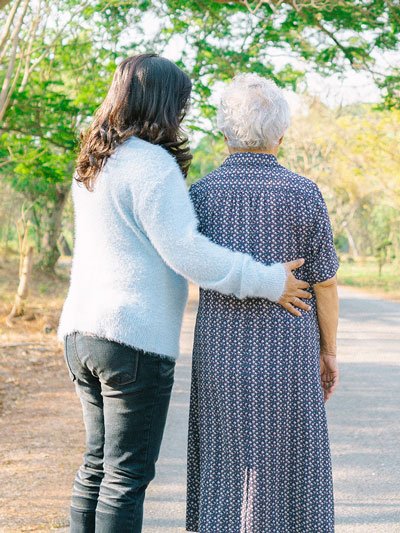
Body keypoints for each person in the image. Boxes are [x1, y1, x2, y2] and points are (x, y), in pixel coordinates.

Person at [58, 54, 312, 533]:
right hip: (131, 337)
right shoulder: (151, 164)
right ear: (161, 103)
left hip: (81, 333)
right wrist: (268, 281)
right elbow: (187, 252)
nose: (183, 114)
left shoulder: (94, 161)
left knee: (96, 467)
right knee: (125, 477)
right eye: (180, 103)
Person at [186, 73, 339, 532]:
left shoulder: (201, 195)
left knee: (226, 461)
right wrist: (329, 352)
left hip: (220, 354)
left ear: (224, 132)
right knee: (292, 461)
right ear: (281, 134)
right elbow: (325, 283)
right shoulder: (305, 194)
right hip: (289, 355)